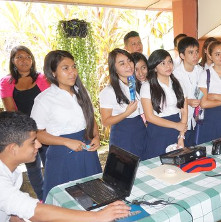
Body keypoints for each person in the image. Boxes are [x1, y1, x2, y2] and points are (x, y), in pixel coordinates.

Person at [0, 111, 130, 222]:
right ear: (13, 148)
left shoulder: (11, 169)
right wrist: (97, 216)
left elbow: (12, 207)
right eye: (33, 142)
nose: (39, 145)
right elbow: (35, 211)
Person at [30, 50, 102, 200]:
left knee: (94, 196)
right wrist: (66, 141)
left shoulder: (82, 92)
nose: (72, 72)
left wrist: (96, 136)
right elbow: (38, 133)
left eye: (74, 67)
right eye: (65, 68)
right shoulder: (44, 99)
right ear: (53, 72)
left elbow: (90, 119)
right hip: (62, 155)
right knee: (66, 200)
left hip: (87, 152)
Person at [0, 45, 50, 201]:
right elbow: (11, 110)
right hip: (25, 132)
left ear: (32, 59)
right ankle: (43, 198)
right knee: (33, 167)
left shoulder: (42, 78)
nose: (24, 60)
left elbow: (50, 104)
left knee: (50, 162)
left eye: (27, 56)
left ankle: (54, 193)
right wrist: (27, 131)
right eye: (19, 57)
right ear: (13, 61)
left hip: (45, 129)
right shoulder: (6, 82)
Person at [140, 49, 188, 159]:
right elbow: (150, 117)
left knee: (178, 163)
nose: (168, 66)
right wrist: (176, 125)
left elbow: (184, 110)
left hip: (178, 128)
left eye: (170, 62)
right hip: (158, 130)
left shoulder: (178, 83)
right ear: (155, 67)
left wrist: (181, 136)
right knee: (158, 166)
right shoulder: (147, 86)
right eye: (163, 63)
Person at [99, 49, 147, 159]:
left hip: (140, 130)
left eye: (129, 61)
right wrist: (126, 113)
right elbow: (105, 121)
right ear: (114, 68)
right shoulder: (109, 91)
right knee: (126, 170)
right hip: (123, 134)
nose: (128, 65)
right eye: (122, 63)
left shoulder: (136, 84)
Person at [174, 36, 203, 146]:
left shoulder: (200, 71)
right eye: (191, 52)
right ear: (182, 55)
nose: (195, 56)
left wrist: (199, 98)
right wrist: (188, 101)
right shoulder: (175, 74)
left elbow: (201, 91)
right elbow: (175, 97)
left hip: (198, 118)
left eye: (196, 52)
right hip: (181, 119)